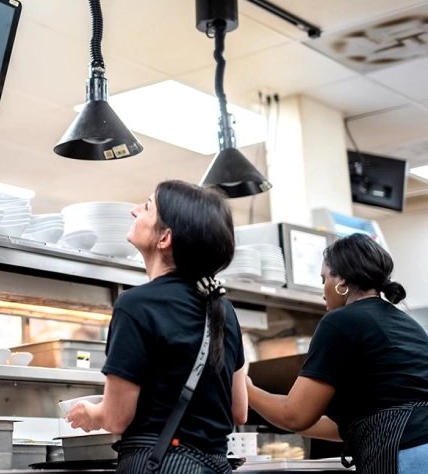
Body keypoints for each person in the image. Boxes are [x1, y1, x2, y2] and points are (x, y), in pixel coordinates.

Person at [67, 180, 248, 474]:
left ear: (164, 237)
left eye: (147, 206)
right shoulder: (223, 308)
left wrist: (91, 413)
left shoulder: (136, 304)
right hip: (217, 465)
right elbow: (238, 409)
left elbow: (116, 418)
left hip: (162, 463)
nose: (134, 211)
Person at [247, 233, 428, 473]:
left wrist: (245, 389)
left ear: (341, 282)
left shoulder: (339, 321)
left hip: (405, 451)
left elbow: (294, 415)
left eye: (324, 279)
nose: (323, 291)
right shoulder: (404, 322)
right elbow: (339, 425)